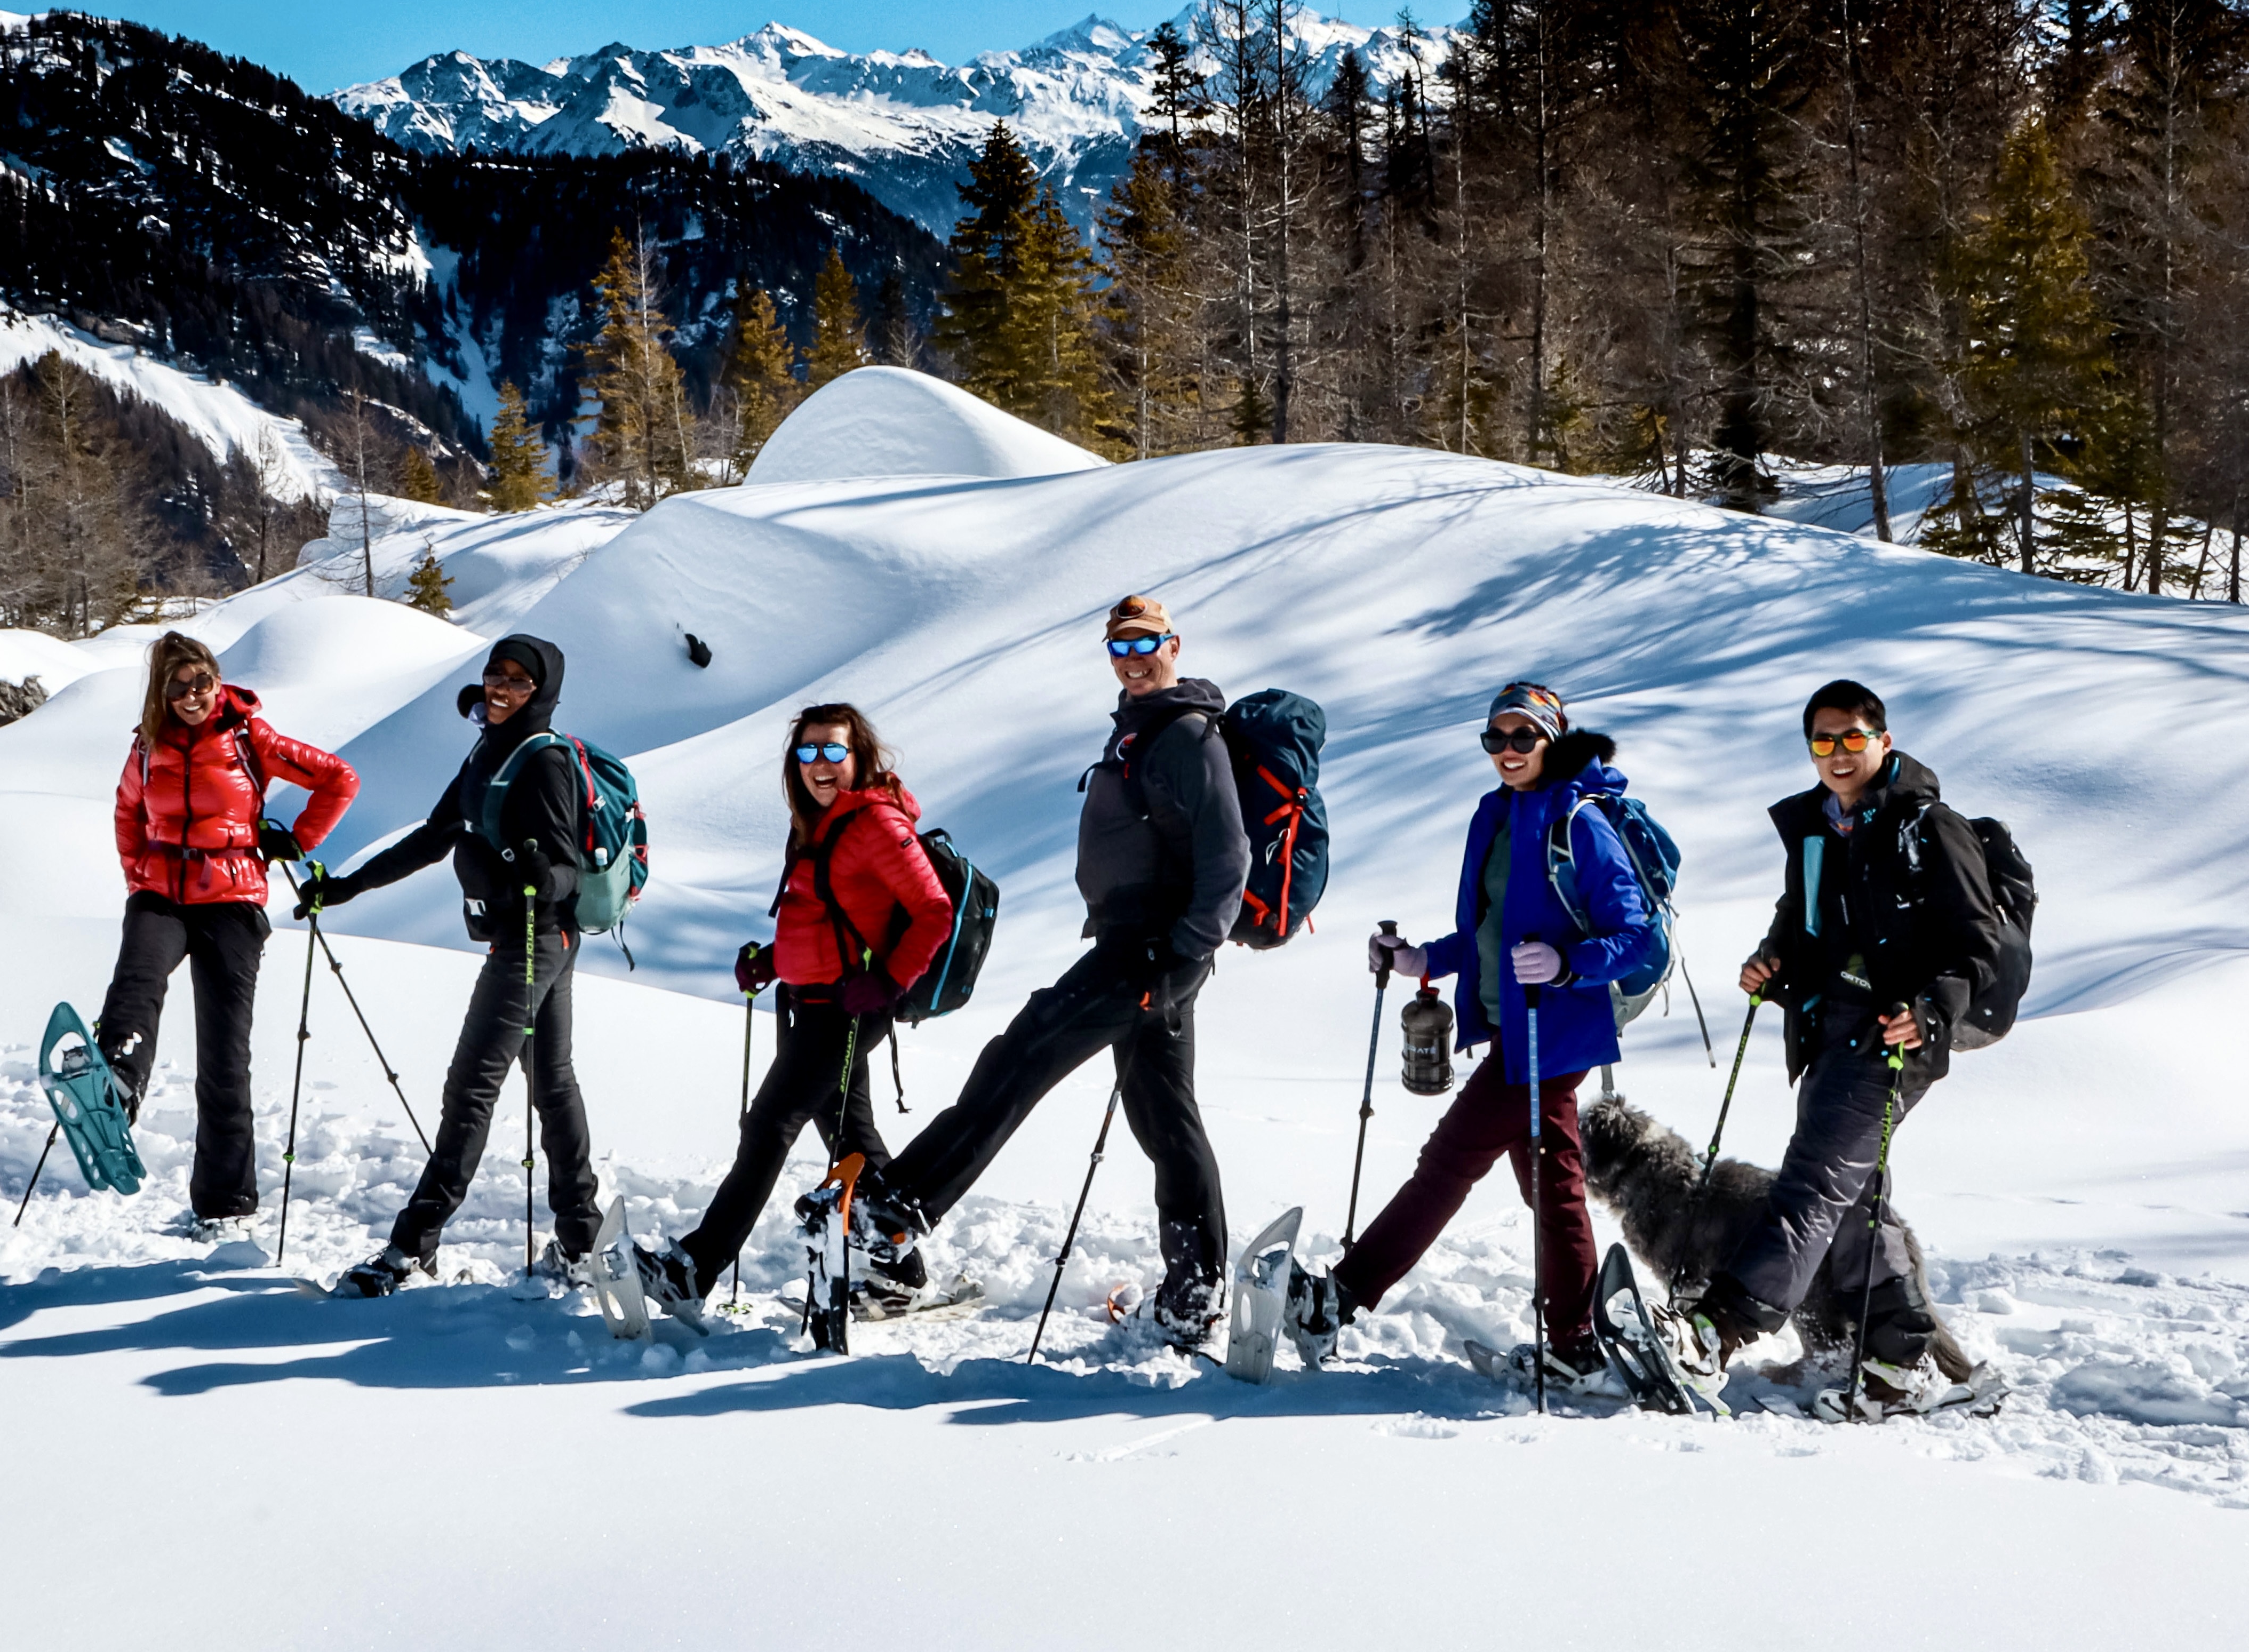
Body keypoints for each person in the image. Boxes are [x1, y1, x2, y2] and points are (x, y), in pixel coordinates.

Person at [854, 593, 1248, 1347]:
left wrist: (1180, 953)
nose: (1133, 660)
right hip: (1143, 948)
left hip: (1149, 952)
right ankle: (1194, 1291)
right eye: (1119, 649)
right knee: (1163, 1117)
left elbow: (1228, 860)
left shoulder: (1189, 736)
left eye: (1146, 645)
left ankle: (897, 1209)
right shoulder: (1142, 731)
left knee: (1022, 1053)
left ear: (1175, 644)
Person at [1647, 678, 1999, 1419]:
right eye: (1822, 741)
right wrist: (1772, 961)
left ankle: (1717, 1331)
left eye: (1851, 737)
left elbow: (1977, 946)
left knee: (1809, 1187)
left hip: (1890, 1040)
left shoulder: (1930, 827)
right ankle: (1898, 1366)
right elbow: (1800, 920)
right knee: (1851, 1202)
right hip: (1825, 1031)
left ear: (1883, 741)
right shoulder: (1814, 827)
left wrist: (1930, 1014)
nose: (1837, 754)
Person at [1292, 681, 1655, 1385]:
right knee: (1551, 1189)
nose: (1509, 751)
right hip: (1508, 1031)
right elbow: (1484, 933)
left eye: (1525, 737)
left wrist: (1567, 964)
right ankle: (1576, 1340)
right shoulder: (1493, 815)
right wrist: (1423, 959)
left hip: (1551, 1035)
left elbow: (1635, 936)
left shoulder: (1578, 822)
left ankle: (1336, 1300)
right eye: (1496, 738)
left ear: (1554, 738)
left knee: (1448, 1164)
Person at [631, 703, 956, 1321]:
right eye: (807, 752)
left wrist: (888, 980)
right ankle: (901, 1274)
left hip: (848, 1008)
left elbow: (933, 911)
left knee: (768, 1125)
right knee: (850, 1141)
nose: (820, 765)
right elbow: (825, 919)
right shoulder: (815, 824)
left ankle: (692, 1271)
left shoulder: (876, 825)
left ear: (858, 757)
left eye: (834, 751)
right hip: (811, 1003)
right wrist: (772, 959)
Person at [303, 636, 603, 1295]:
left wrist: (536, 875)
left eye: (517, 680)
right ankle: (582, 1242)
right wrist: (348, 886)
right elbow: (435, 837)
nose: (499, 687)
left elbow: (563, 870)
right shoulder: (485, 751)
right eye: (495, 673)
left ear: (542, 691)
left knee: (472, 1086)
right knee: (551, 1084)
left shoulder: (545, 760)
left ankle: (411, 1249)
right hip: (533, 942)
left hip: (533, 942)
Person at [101, 632, 358, 1240]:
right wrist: (138, 875)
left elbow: (338, 778)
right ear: (161, 694)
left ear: (217, 681)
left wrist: (297, 838)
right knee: (137, 979)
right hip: (161, 892)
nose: (192, 695)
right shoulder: (147, 748)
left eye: (201, 683)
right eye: (178, 686)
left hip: (232, 900)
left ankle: (225, 1203)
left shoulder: (249, 738)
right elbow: (126, 814)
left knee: (223, 1059)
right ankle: (115, 1083)